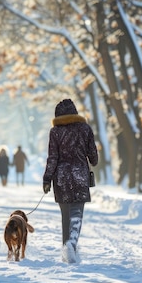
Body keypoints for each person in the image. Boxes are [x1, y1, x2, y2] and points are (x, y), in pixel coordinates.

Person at [42, 99, 98, 264]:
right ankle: (71, 244)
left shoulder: (55, 132)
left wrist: (47, 179)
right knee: (77, 214)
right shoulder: (85, 129)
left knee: (65, 214)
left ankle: (66, 248)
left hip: (62, 178)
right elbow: (93, 157)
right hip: (80, 175)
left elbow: (52, 158)